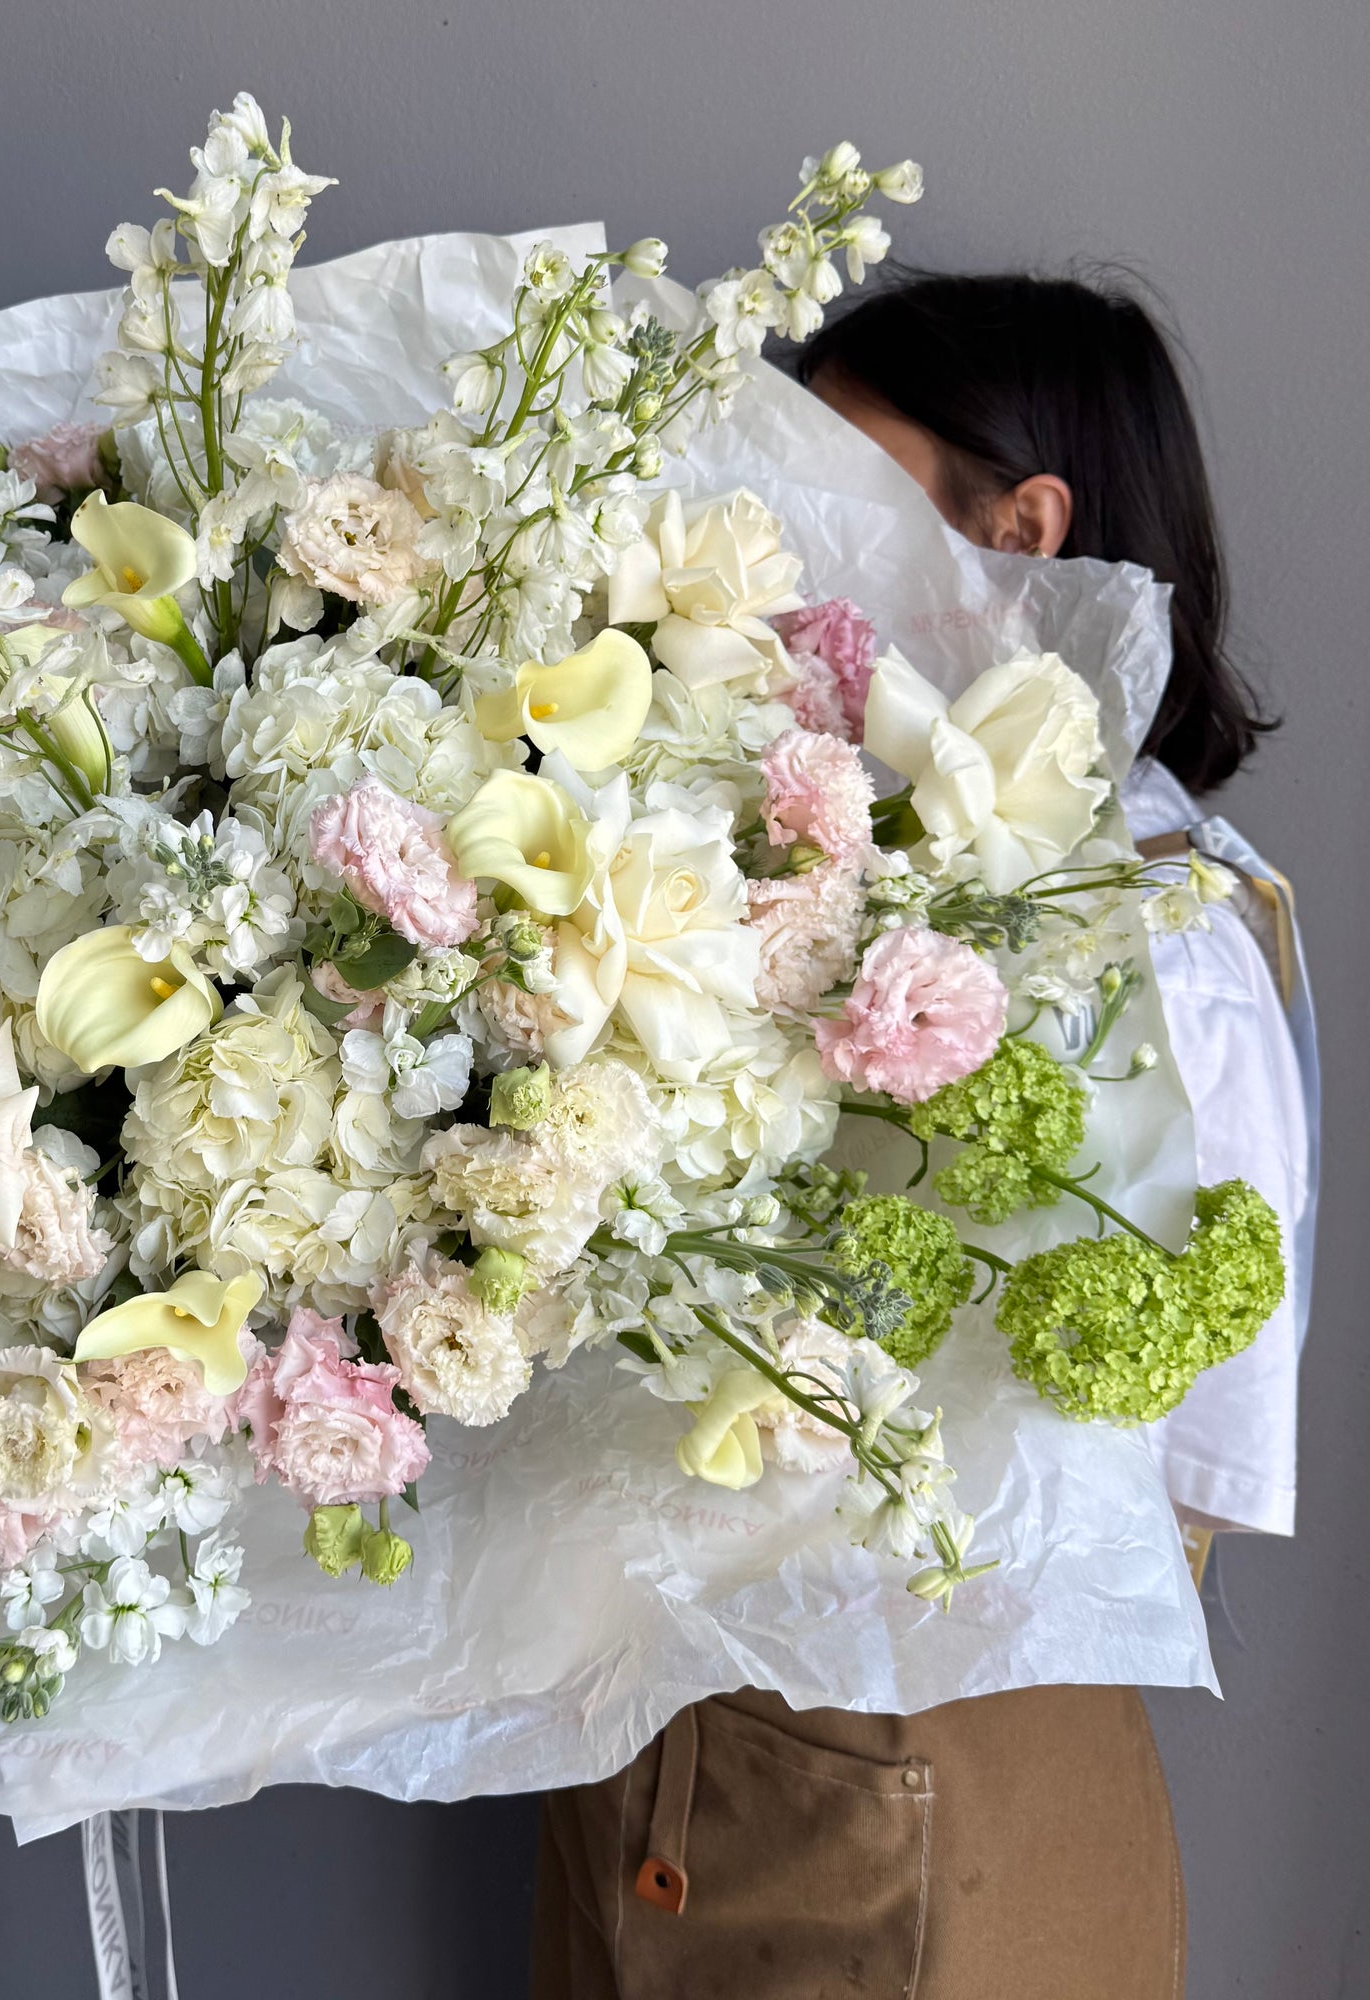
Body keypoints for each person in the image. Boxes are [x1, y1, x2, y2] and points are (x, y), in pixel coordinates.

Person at [530, 273, 1316, 2000]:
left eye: (841, 491)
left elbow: (1181, 1460)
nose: (787, 545)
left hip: (906, 1780)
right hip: (713, 1747)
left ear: (1022, 527)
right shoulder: (844, 863)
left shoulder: (1151, 938)